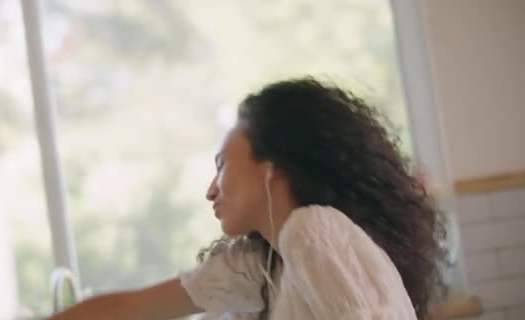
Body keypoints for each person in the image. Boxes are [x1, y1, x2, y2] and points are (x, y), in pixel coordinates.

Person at [49, 77, 445, 320]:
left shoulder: (315, 229)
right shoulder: (265, 265)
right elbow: (127, 311)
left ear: (271, 165)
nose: (211, 189)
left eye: (222, 165)